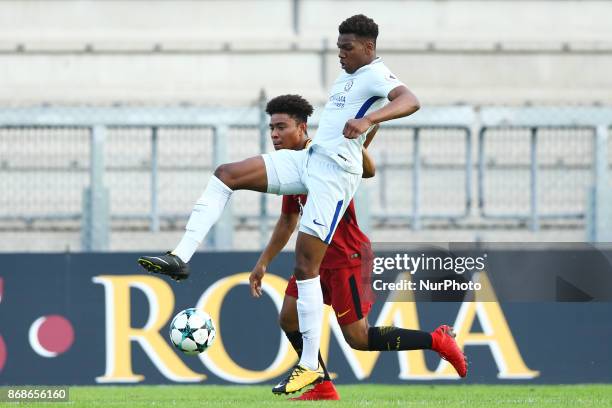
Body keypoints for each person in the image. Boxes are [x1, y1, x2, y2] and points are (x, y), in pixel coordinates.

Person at [138, 14, 435, 394]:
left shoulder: (377, 74)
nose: (340, 53)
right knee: (227, 174)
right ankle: (180, 257)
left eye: (347, 47)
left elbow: (411, 101)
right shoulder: (348, 78)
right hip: (310, 161)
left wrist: (370, 121)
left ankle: (311, 366)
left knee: (305, 266)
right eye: (338, 46)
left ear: (369, 47)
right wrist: (361, 132)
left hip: (332, 176)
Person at [250, 94, 466, 400]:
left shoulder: (323, 153)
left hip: (345, 256)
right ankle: (321, 384)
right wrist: (263, 262)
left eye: (281, 127)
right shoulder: (294, 165)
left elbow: (368, 169)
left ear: (302, 128)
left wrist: (356, 143)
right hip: (314, 261)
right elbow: (288, 219)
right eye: (271, 128)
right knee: (288, 317)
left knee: (359, 338)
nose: (274, 134)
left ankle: (437, 339)